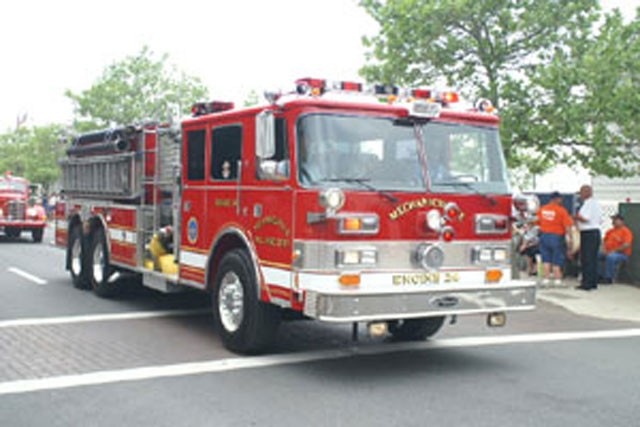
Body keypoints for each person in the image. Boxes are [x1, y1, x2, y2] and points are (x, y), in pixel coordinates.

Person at [537, 191, 573, 286]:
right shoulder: (561, 210)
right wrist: (570, 238)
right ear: (556, 199)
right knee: (557, 258)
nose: (561, 200)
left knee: (546, 259)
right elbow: (567, 226)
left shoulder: (542, 209)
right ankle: (557, 280)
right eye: (560, 198)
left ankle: (546, 279)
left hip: (544, 236)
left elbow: (537, 222)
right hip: (557, 236)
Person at [574, 185, 602, 291]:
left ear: (587, 193)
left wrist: (576, 217)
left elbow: (585, 218)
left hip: (588, 232)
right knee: (593, 258)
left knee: (587, 258)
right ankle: (593, 281)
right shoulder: (596, 204)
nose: (580, 195)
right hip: (595, 231)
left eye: (581, 193)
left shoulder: (588, 204)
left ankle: (587, 283)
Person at [598, 214, 633, 284]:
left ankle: (609, 278)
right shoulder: (610, 231)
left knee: (611, 257)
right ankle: (599, 275)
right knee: (596, 255)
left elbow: (626, 245)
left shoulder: (626, 231)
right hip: (608, 251)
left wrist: (613, 251)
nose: (613, 221)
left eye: (615, 220)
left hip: (621, 254)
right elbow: (603, 242)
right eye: (613, 220)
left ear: (622, 221)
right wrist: (603, 249)